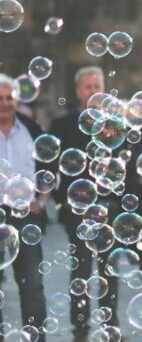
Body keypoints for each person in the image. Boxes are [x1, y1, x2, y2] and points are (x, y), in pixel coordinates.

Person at [49, 66, 120, 340]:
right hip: (76, 211)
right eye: (87, 87)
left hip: (108, 210)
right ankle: (80, 330)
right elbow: (52, 168)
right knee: (80, 272)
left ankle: (109, 328)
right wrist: (64, 203)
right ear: (78, 91)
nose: (92, 91)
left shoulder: (115, 125)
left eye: (97, 86)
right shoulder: (61, 125)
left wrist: (114, 201)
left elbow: (122, 167)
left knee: (108, 271)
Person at [0, 74, 48, 340]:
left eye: (10, 98)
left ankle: (36, 338)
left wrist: (41, 202)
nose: (6, 103)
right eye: (0, 98)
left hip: (25, 215)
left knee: (32, 284)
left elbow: (49, 168)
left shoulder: (32, 128)